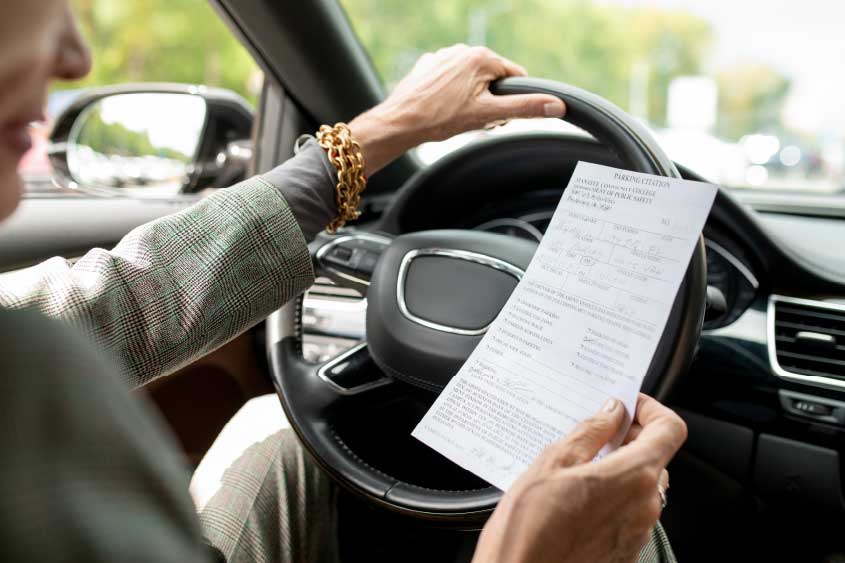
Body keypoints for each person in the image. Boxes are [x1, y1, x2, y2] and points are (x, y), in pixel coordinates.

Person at [0, 2, 687, 562]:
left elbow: (115, 302)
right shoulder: (30, 373)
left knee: (276, 422)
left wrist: (371, 138)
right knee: (603, 519)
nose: (77, 58)